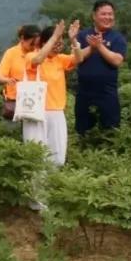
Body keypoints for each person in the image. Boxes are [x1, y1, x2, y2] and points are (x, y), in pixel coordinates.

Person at [23, 20, 85, 166]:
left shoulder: (60, 60)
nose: (59, 46)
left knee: (57, 155)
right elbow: (37, 60)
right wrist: (54, 37)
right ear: (45, 42)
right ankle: (36, 188)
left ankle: (53, 185)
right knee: (36, 154)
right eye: (56, 42)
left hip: (56, 112)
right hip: (35, 112)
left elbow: (79, 58)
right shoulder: (31, 55)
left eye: (60, 43)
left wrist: (73, 39)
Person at [74, 0, 127, 135]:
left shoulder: (117, 38)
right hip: (84, 92)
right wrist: (91, 47)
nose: (108, 17)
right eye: (103, 14)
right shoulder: (82, 35)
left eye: (110, 14)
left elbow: (117, 61)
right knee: (83, 130)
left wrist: (99, 46)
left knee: (110, 131)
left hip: (107, 93)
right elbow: (76, 58)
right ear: (94, 16)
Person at [0, 25, 39, 123]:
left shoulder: (39, 53)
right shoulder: (11, 53)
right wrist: (7, 80)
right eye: (31, 44)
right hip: (14, 102)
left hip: (36, 102)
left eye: (36, 44)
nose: (34, 47)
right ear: (22, 38)